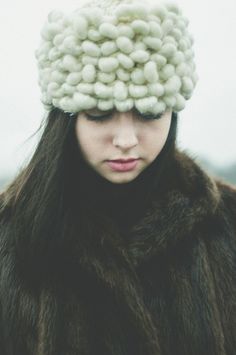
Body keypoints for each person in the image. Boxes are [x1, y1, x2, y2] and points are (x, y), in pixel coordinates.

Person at [0, 0, 236, 354]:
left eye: (149, 111)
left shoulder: (225, 223)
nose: (126, 140)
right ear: (65, 120)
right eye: (98, 114)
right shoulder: (10, 232)